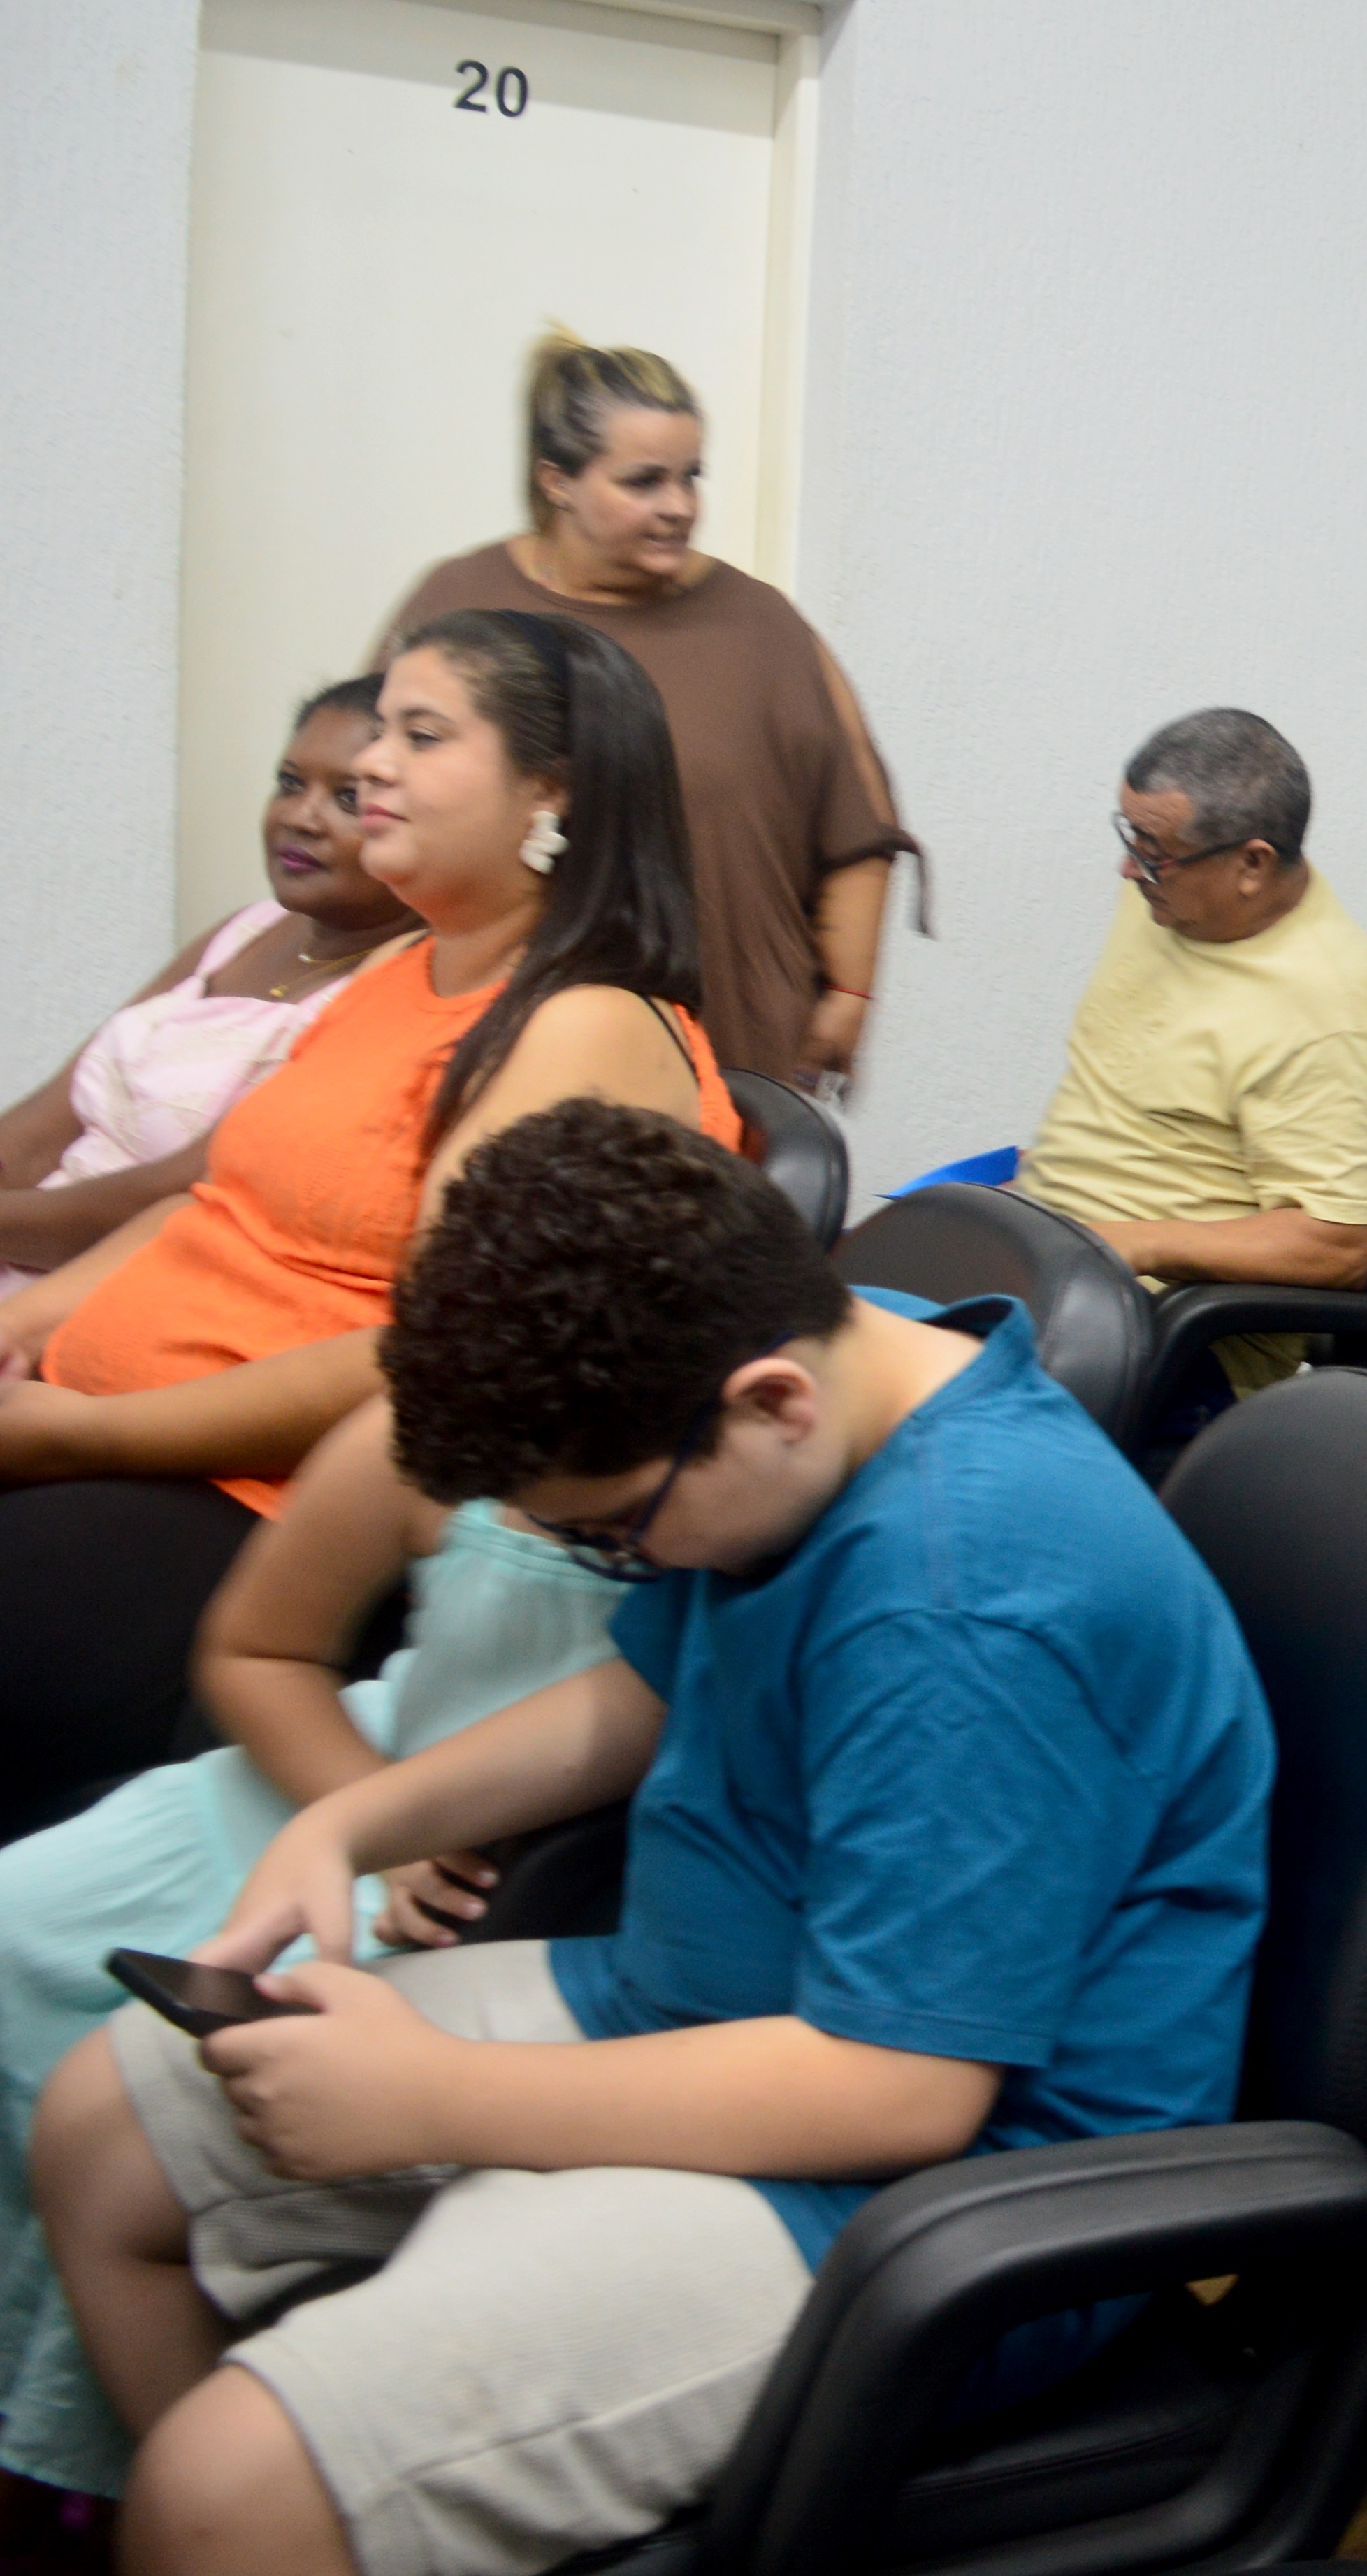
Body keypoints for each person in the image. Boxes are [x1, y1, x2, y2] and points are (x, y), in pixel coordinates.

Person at [31, 1100, 1272, 2576]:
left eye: (615, 1533)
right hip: (705, 2011)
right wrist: (355, 1819)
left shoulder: (969, 1608)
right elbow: (645, 1691)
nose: (627, 1562)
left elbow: (901, 2090)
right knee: (104, 2126)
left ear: (771, 1403)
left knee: (224, 2490)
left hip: (925, 2199)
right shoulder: (837, 1364)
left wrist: (434, 2098)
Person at [0, 609, 736, 1837]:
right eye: (379, 729)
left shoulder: (585, 1024)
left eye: (421, 736)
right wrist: (27, 1328)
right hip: (102, 1437)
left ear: (550, 792)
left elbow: (435, 1354)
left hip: (255, 1510)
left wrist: (83, 1434)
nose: (370, 767)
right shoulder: (403, 969)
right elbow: (212, 1203)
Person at [0, 1397, 622, 2504]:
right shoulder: (412, 1432)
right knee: (16, 1925)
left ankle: (91, 2466)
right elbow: (260, 1646)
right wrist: (376, 1820)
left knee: (161, 2067)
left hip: (506, 1885)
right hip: (346, 1783)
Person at [382, 334, 913, 1087]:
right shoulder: (461, 604)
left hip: (725, 1048)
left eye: (691, 477)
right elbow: (366, 792)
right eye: (644, 482)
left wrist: (850, 995)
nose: (680, 507)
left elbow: (857, 826)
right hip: (479, 1040)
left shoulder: (762, 627)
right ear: (557, 481)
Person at [1014, 709, 1367, 1396]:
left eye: (1152, 851)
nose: (1128, 868)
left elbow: (1338, 1245)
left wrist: (1138, 1241)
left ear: (1251, 864)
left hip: (1169, 1336)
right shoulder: (1170, 898)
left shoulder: (1333, 1007)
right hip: (1057, 1262)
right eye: (1130, 835)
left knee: (882, 1389)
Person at [0, 679, 417, 1296]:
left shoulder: (401, 986)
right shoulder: (244, 931)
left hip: (117, 1296)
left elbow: (179, 1195)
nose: (299, 818)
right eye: (290, 783)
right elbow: (32, 1139)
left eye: (348, 798)